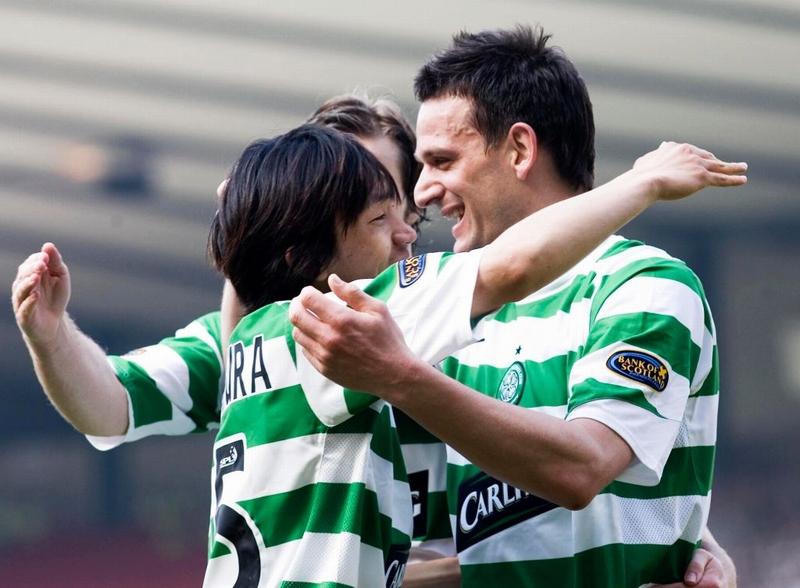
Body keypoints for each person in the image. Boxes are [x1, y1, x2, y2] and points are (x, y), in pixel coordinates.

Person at [12, 102, 737, 585]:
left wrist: (682, 538)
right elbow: (110, 406)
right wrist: (643, 182)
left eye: (402, 204)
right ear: (306, 236)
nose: (408, 229)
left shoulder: (263, 340)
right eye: (377, 213)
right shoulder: (345, 326)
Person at [289, 26, 741, 588]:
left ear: (520, 150)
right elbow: (471, 553)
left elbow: (580, 470)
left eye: (442, 161)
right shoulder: (451, 311)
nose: (422, 192)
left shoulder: (643, 287)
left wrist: (400, 377)